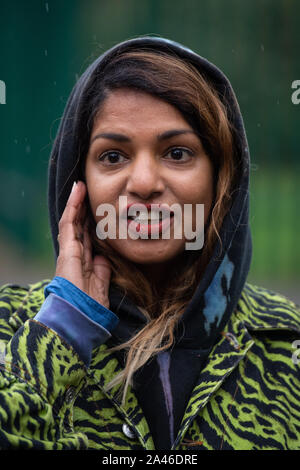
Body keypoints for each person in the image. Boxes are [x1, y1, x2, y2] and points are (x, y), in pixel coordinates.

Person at [0, 36, 299, 451]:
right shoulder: (13, 324)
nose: (143, 183)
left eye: (177, 153)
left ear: (221, 179)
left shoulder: (286, 343)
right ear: (78, 181)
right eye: (113, 156)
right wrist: (64, 329)